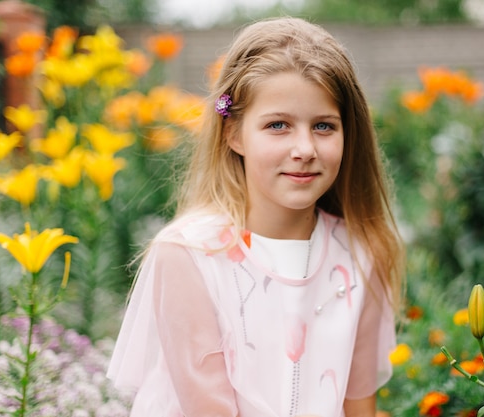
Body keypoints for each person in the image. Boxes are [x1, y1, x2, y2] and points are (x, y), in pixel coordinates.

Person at [107, 16, 405, 417]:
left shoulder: (363, 253)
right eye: (278, 125)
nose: (305, 148)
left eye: (323, 126)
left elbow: (357, 406)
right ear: (233, 133)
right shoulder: (189, 257)